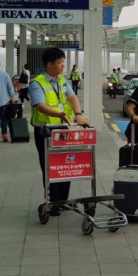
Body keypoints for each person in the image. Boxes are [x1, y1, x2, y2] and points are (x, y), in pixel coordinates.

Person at [29, 48, 89, 216]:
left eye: (63, 62)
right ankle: (52, 202)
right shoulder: (37, 83)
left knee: (65, 164)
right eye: (60, 62)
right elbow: (40, 106)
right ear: (49, 64)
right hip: (45, 131)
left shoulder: (62, 79)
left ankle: (62, 200)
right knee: (49, 166)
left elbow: (72, 97)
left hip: (63, 129)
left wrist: (77, 114)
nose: (63, 65)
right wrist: (59, 115)